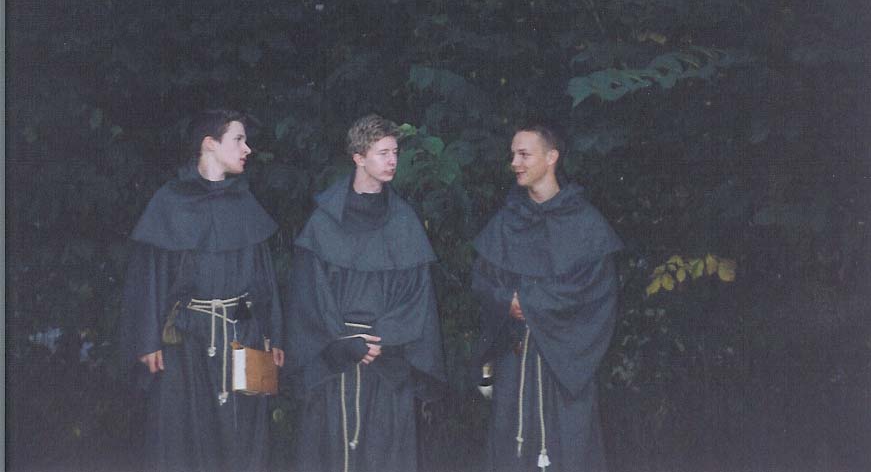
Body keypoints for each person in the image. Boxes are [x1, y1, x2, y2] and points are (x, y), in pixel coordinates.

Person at [120, 109, 285, 472]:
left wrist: (274, 334)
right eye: (238, 140)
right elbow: (150, 275)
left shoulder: (245, 201)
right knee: (184, 434)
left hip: (247, 333)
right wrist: (147, 340)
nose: (247, 149)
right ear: (209, 144)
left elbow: (264, 277)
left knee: (248, 433)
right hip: (187, 339)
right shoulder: (169, 202)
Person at [285, 113, 445, 472]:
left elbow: (416, 295)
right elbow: (309, 292)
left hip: (387, 360)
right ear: (358, 157)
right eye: (383, 153)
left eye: (395, 152)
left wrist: (381, 339)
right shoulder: (323, 222)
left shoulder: (405, 221)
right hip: (332, 360)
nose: (392, 161)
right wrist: (342, 342)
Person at [471, 123, 623, 472]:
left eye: (524, 154)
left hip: (565, 367)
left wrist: (529, 303)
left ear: (551, 157)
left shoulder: (585, 223)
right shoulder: (506, 220)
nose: (515, 163)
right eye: (513, 155)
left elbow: (596, 295)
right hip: (514, 361)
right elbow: (483, 280)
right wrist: (505, 302)